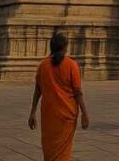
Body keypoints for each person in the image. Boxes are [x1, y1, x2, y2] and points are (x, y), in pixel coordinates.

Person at [28, 32, 90, 161]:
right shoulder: (71, 65)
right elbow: (77, 92)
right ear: (65, 47)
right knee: (63, 150)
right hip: (67, 115)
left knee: (49, 149)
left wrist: (32, 112)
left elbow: (37, 91)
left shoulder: (43, 66)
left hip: (49, 115)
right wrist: (84, 113)